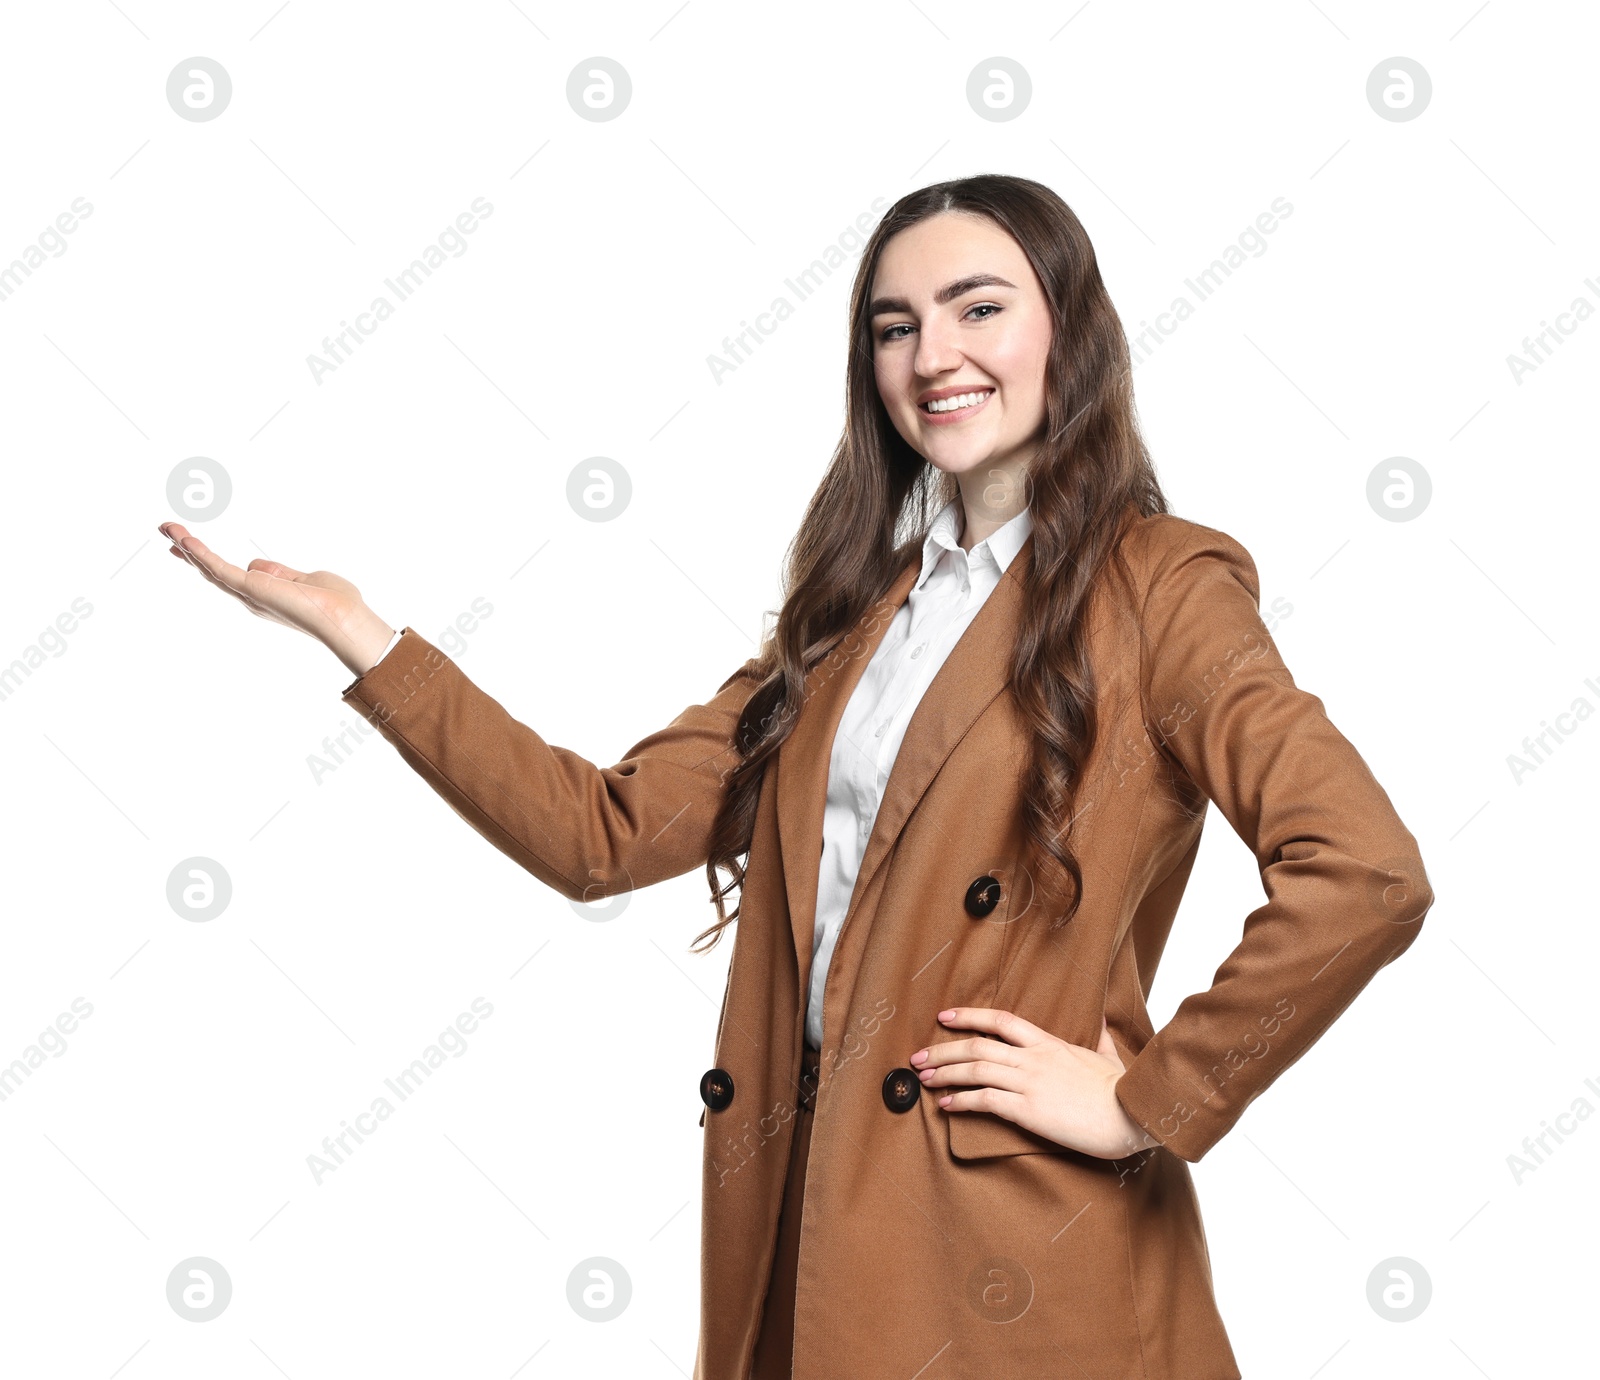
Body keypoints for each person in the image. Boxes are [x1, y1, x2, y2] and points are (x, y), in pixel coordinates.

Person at [159, 173, 1433, 1380]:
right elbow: (596, 834)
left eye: (979, 308)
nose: (933, 356)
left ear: (1072, 333)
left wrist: (1149, 1101)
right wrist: (365, 638)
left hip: (1012, 1245)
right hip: (803, 1208)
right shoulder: (853, 616)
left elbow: (1364, 874)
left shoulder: (1159, 586)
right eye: (894, 325)